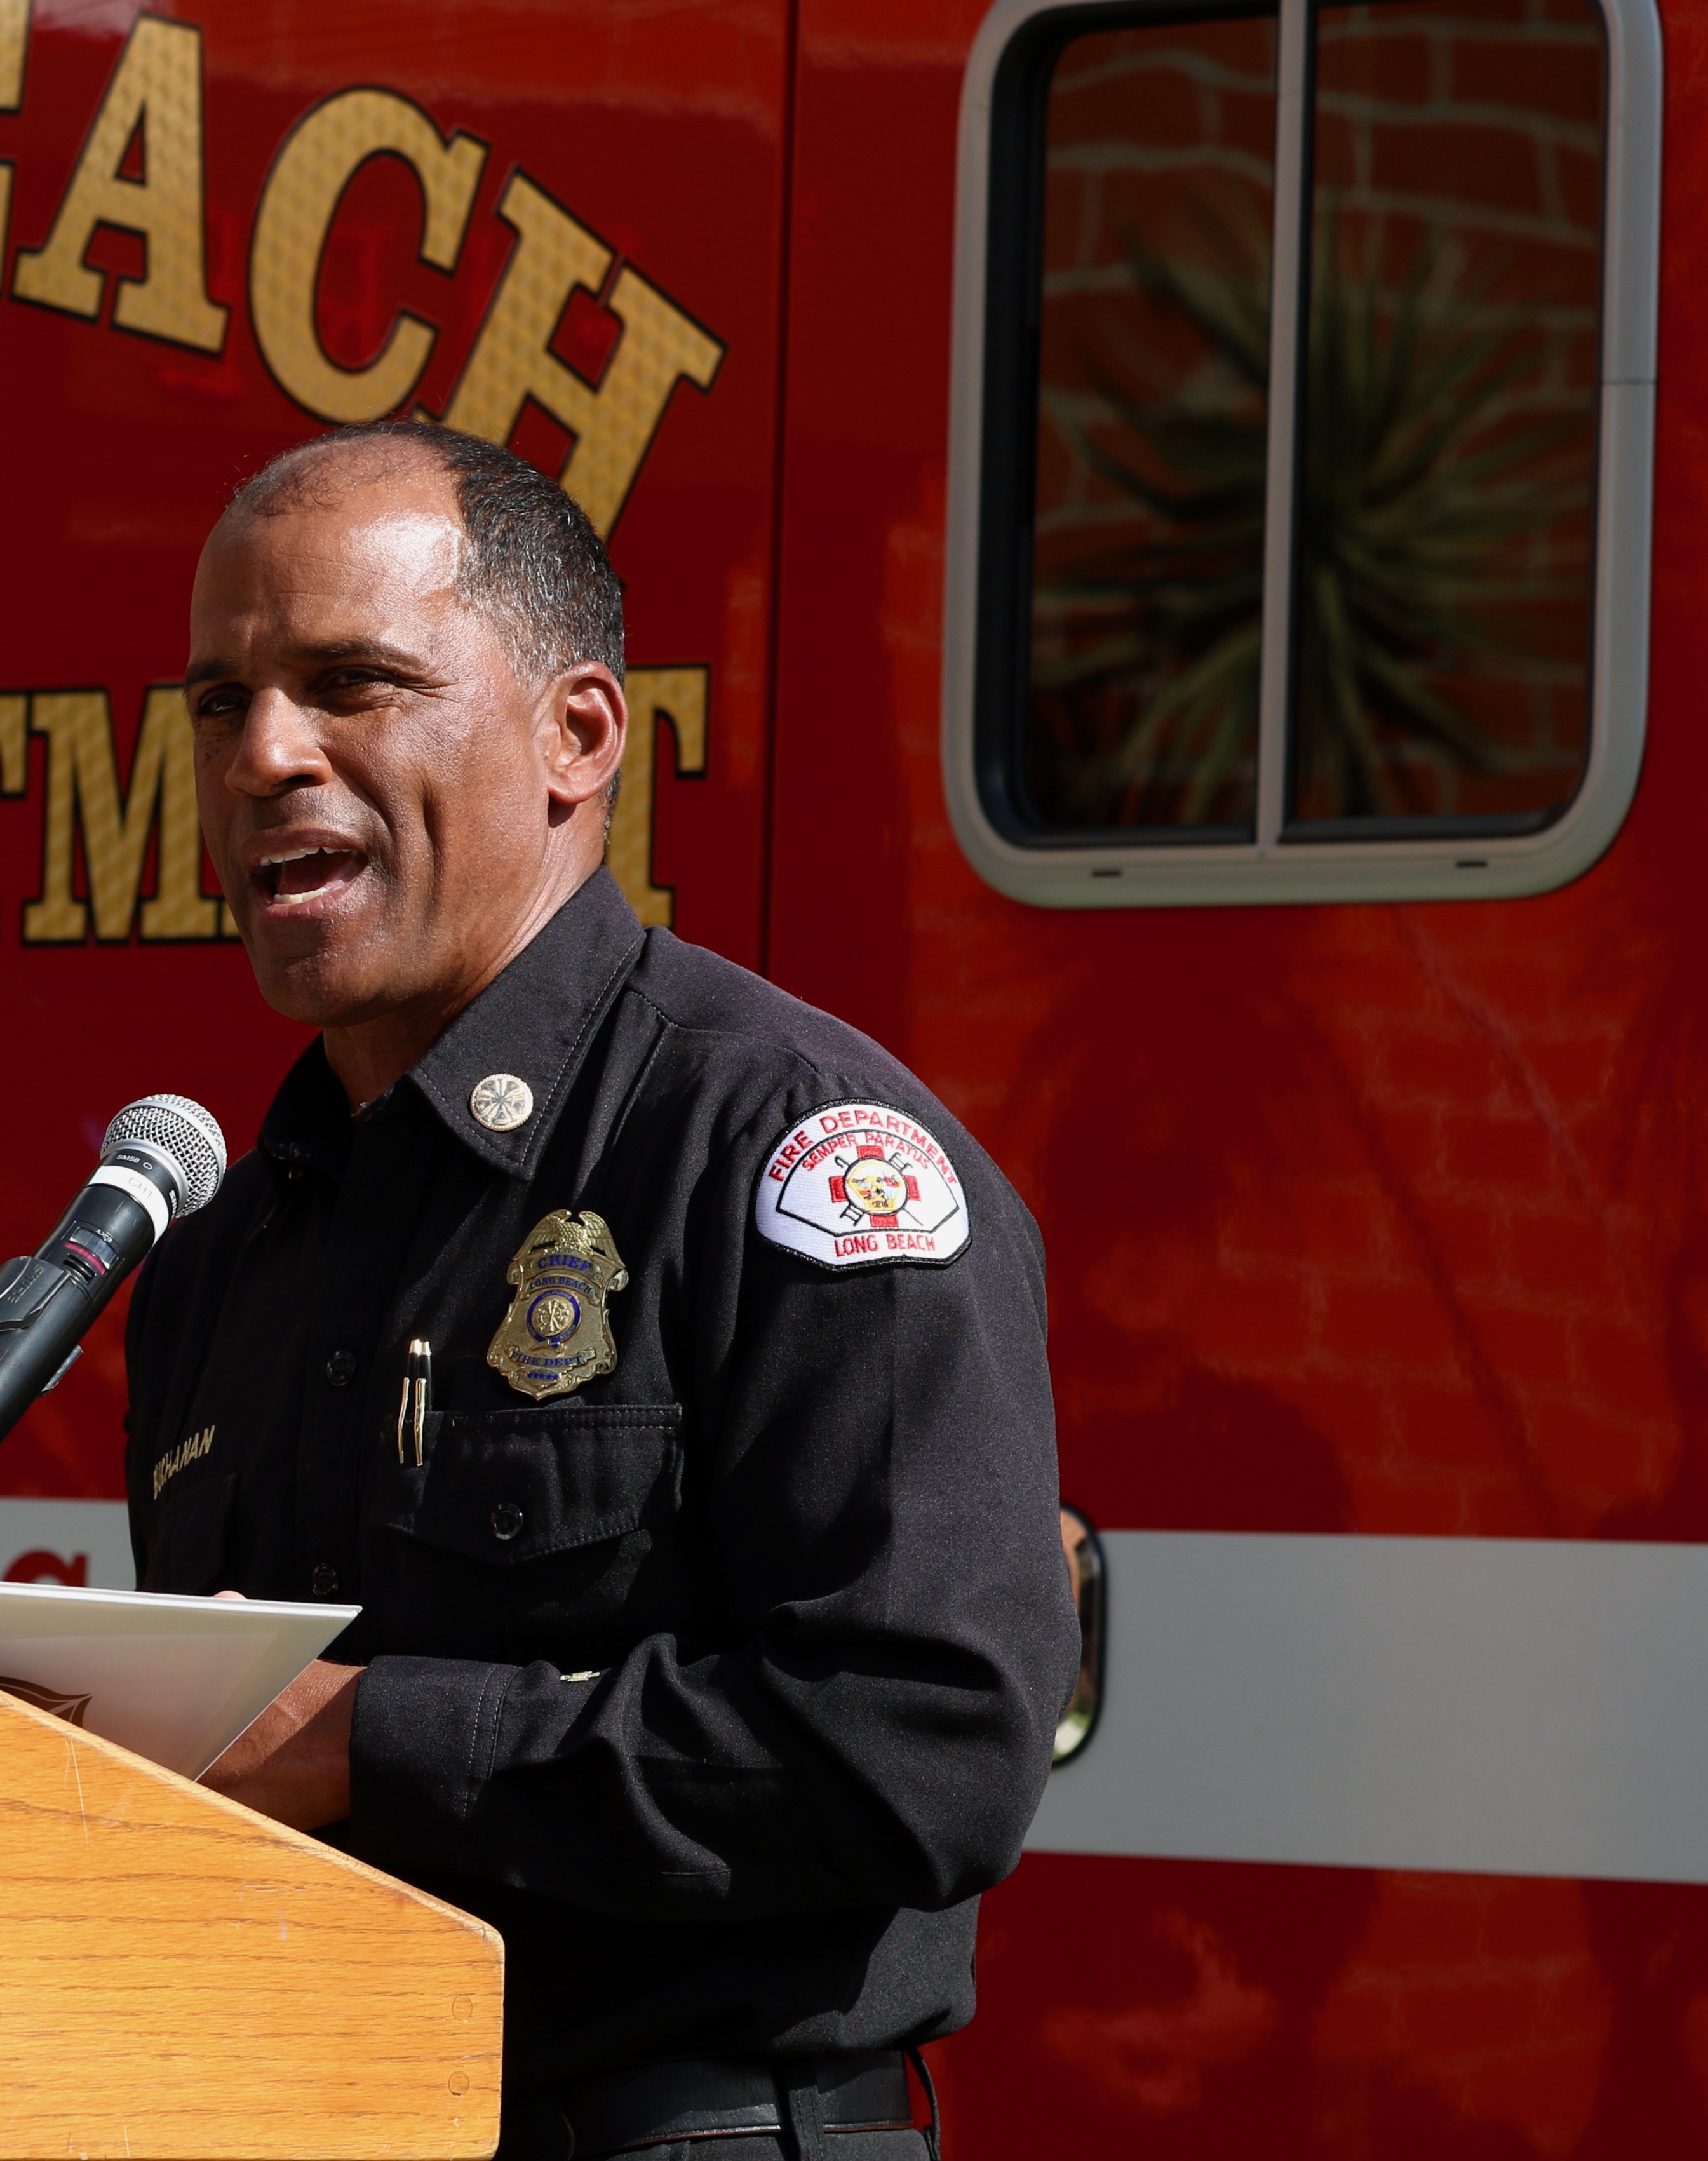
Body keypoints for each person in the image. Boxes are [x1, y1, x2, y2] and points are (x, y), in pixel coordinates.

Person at [124, 421, 1079, 2160]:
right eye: (218, 701)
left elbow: (927, 1743)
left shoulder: (791, 1157)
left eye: (353, 681)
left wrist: (380, 1739)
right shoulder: (218, 1254)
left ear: (576, 738)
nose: (266, 752)